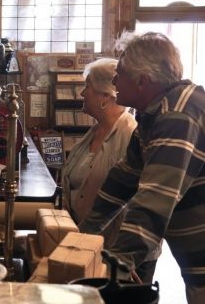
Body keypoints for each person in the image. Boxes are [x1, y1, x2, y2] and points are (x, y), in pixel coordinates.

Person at [79, 31, 205, 304]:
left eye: (120, 72)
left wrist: (120, 262)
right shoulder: (153, 116)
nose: (114, 80)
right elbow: (122, 181)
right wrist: (83, 236)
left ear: (141, 80)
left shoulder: (177, 114)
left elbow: (156, 197)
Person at [62, 58, 158, 282]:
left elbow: (146, 201)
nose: (82, 94)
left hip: (122, 258)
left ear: (105, 95)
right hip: (90, 245)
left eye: (87, 87)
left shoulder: (132, 135)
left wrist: (128, 255)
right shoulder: (93, 133)